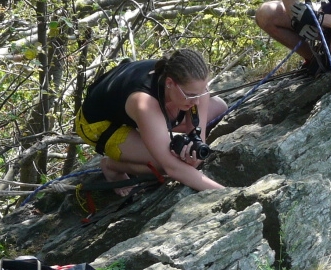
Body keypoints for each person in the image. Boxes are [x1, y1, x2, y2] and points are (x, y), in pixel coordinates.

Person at [74, 49, 226, 193]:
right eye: (191, 95)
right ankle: (112, 166)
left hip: (137, 110)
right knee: (167, 162)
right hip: (101, 125)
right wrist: (225, 193)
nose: (197, 101)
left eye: (202, 92)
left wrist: (194, 153)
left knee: (219, 107)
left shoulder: (190, 86)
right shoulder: (144, 102)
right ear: (170, 83)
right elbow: (173, 168)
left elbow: (197, 144)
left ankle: (153, 134)